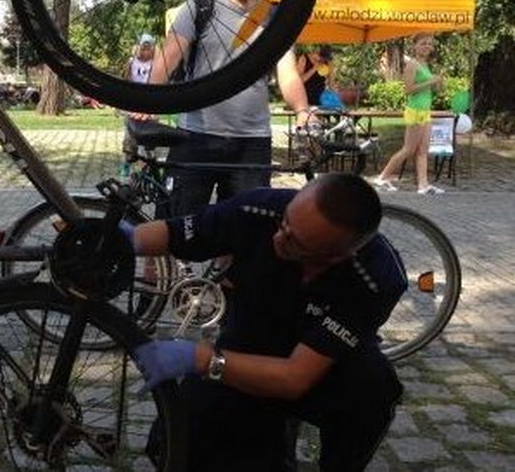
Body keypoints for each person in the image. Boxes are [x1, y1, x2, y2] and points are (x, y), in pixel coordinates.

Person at [127, 173, 406, 471]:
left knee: (372, 390)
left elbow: (294, 378)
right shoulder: (258, 209)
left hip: (323, 366)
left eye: (294, 242)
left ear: (336, 256)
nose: (278, 238)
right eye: (284, 223)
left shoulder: (376, 278)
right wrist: (121, 241)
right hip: (248, 348)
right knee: (175, 442)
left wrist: (201, 359)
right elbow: (173, 233)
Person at [150, 0, 311, 216]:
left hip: (251, 143)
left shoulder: (274, 17)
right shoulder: (200, 6)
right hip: (195, 136)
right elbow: (168, 57)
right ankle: (165, 265)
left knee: (243, 235)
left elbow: (287, 73)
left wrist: (302, 110)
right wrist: (147, 101)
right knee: (171, 227)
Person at [373, 32, 445, 194]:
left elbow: (434, 89)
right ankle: (382, 178)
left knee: (422, 150)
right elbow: (408, 90)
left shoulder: (425, 65)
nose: (427, 46)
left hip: (425, 111)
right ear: (415, 46)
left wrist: (438, 82)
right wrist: (430, 81)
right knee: (408, 149)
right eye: (423, 43)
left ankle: (423, 185)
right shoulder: (412, 65)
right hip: (415, 111)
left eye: (429, 44)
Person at [120, 33, 157, 176]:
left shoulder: (156, 63)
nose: (145, 50)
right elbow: (126, 81)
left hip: (150, 103)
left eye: (148, 47)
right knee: (129, 138)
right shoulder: (131, 62)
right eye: (143, 47)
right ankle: (126, 166)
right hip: (133, 103)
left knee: (150, 140)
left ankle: (147, 169)